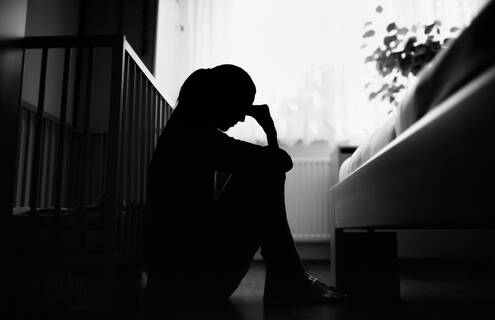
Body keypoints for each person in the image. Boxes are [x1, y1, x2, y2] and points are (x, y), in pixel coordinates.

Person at [144, 64, 347, 308]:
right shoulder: (197, 136)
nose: (242, 117)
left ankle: (287, 279)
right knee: (264, 174)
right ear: (222, 98)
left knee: (262, 172)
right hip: (191, 287)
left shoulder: (185, 129)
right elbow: (281, 162)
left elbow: (272, 164)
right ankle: (288, 279)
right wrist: (269, 130)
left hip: (181, 282)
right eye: (241, 105)